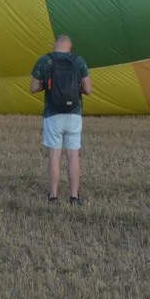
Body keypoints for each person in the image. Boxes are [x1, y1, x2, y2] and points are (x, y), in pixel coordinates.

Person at [29, 35, 93, 206]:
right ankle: (74, 197)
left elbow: (33, 88)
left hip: (53, 114)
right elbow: (88, 90)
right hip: (74, 114)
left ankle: (53, 197)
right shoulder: (79, 61)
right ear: (70, 45)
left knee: (54, 155)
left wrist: (47, 85)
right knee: (73, 156)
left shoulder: (45, 61)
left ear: (54, 45)